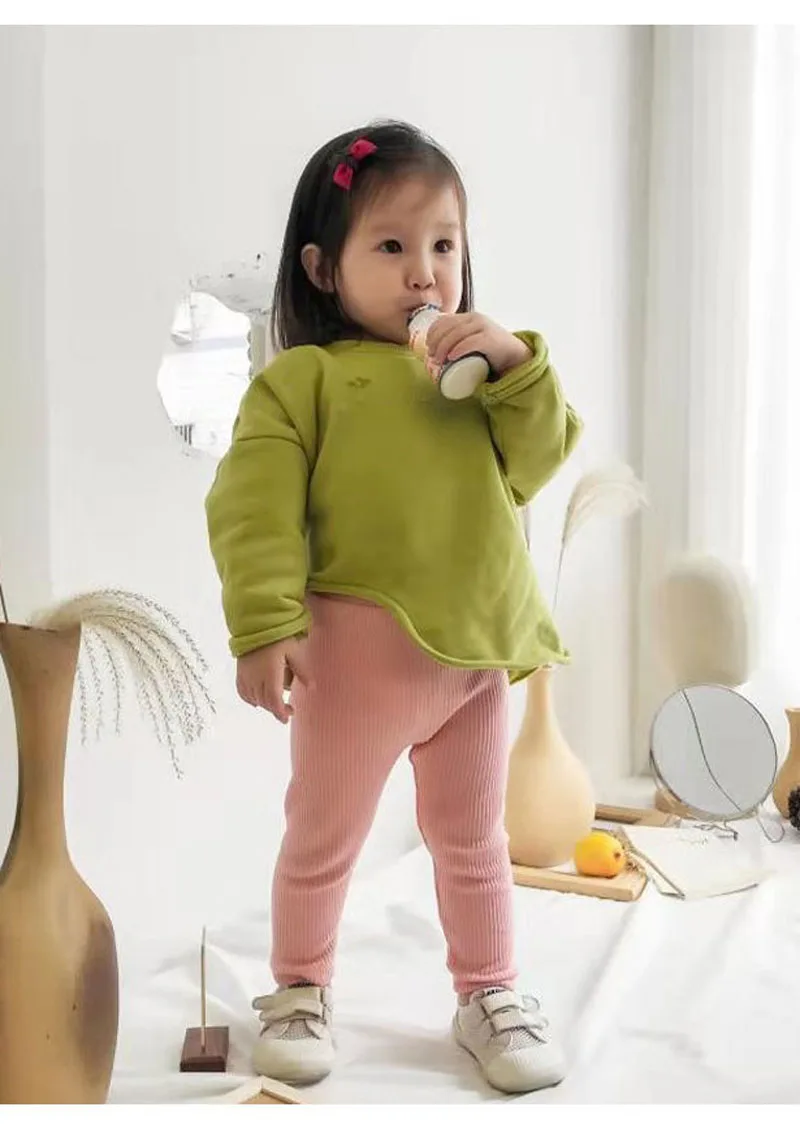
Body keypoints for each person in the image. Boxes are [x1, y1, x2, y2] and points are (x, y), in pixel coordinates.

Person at [205, 120, 582, 1095]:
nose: (424, 272)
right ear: (322, 268)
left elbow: (538, 460)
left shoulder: (476, 380)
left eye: (443, 245)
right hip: (354, 657)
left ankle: (488, 991)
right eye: (391, 245)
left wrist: (514, 364)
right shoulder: (305, 381)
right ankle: (299, 986)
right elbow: (254, 507)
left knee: (475, 841)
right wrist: (264, 625)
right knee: (323, 835)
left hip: (473, 656)